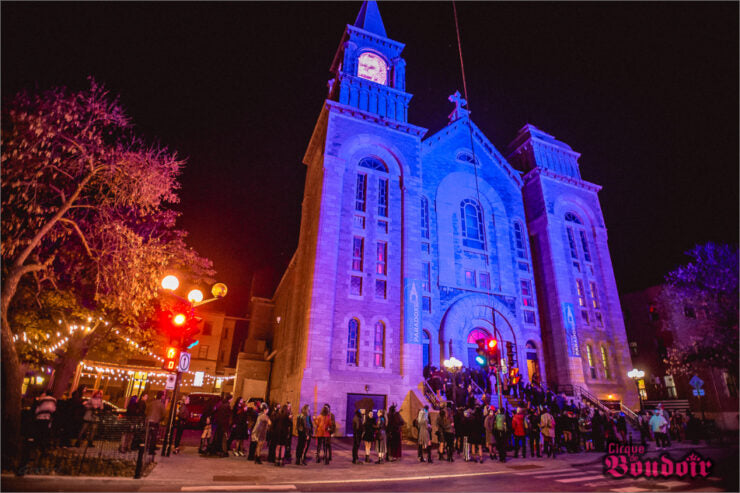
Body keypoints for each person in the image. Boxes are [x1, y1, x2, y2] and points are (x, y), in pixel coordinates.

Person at [145, 390, 166, 455]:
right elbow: (164, 414)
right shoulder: (161, 404)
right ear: (162, 396)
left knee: (147, 436)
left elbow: (146, 411)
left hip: (148, 421)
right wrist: (160, 419)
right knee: (154, 437)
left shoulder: (151, 403)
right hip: (155, 421)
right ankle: (151, 450)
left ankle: (145, 448)